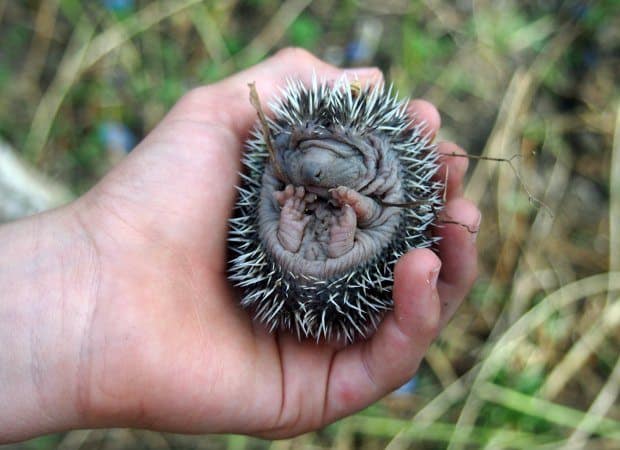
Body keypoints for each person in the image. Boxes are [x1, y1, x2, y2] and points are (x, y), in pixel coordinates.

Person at [0, 48, 479, 443]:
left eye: (327, 160)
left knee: (345, 217)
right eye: (303, 155)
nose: (312, 170)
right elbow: (267, 182)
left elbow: (388, 203)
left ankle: (338, 227)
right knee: (284, 204)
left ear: (371, 156)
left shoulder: (387, 158)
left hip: (357, 239)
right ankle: (325, 229)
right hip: (307, 243)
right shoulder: (286, 141)